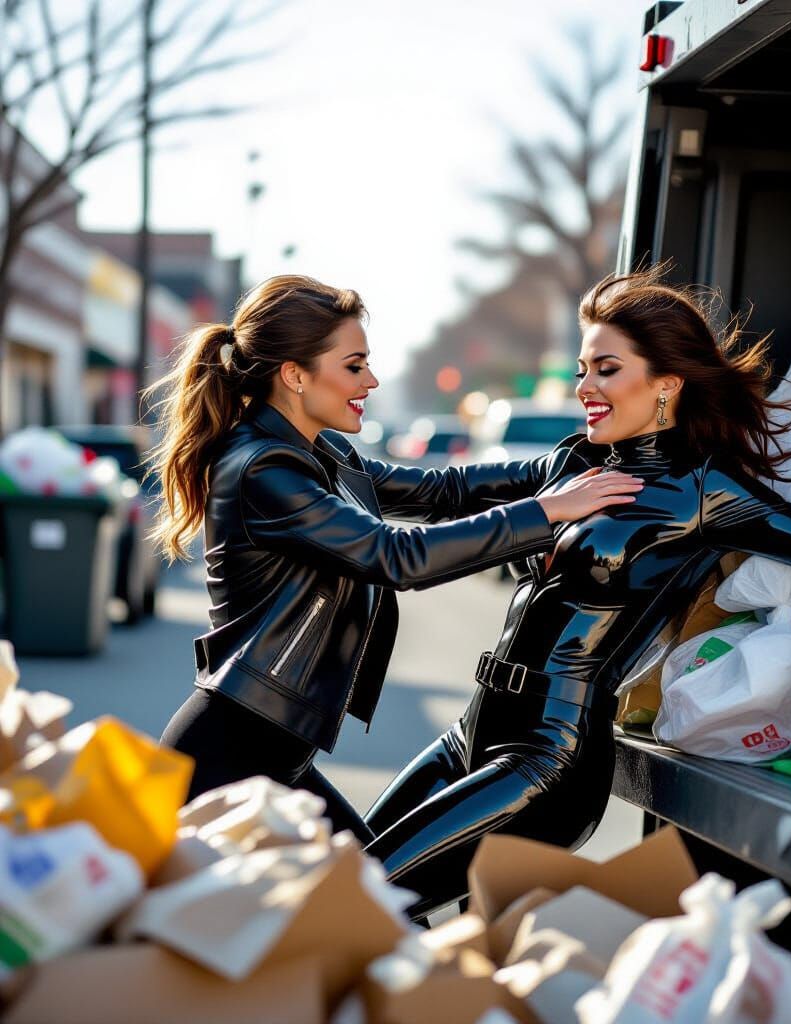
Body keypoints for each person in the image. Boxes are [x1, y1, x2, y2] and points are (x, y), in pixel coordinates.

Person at [363, 267, 791, 916]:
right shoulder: (573, 463)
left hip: (548, 756)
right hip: (473, 729)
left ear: (667, 383)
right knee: (344, 887)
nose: (585, 387)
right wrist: (291, 433)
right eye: (582, 369)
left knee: (366, 904)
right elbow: (432, 492)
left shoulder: (704, 492)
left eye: (606, 369)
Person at [152, 275, 643, 839]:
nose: (371, 380)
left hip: (270, 753)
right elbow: (396, 555)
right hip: (229, 759)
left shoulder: (315, 450)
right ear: (294, 375)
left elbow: (438, 489)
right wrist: (547, 512)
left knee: (374, 906)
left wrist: (560, 471)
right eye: (354, 365)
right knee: (376, 907)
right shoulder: (266, 470)